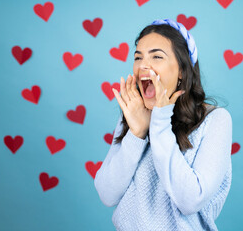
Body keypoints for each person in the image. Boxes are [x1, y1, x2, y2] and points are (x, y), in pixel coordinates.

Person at [94, 19, 233, 231]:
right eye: (138, 57)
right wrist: (137, 133)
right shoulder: (134, 116)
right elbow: (106, 194)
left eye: (157, 56)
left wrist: (160, 120)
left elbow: (190, 200)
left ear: (182, 71)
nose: (143, 65)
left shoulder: (216, 120)